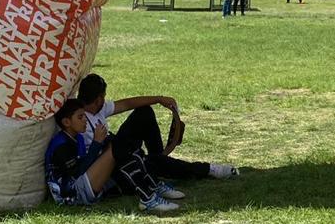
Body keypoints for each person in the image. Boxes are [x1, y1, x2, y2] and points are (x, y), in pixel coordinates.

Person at [77, 73, 238, 181]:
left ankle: (159, 157)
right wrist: (98, 142)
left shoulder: (97, 109)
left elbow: (127, 103)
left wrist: (158, 99)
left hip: (116, 151)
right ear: (98, 99)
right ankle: (207, 169)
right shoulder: (80, 120)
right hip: (111, 163)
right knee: (158, 163)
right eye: (103, 97)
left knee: (144, 112)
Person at [45, 98, 181, 213]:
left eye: (84, 116)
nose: (85, 120)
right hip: (72, 194)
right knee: (116, 148)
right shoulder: (61, 145)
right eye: (80, 117)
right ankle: (148, 197)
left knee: (118, 147)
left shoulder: (77, 137)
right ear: (66, 122)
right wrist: (96, 144)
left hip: (80, 185)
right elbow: (77, 172)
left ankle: (151, 188)